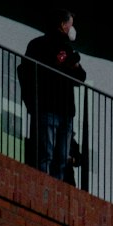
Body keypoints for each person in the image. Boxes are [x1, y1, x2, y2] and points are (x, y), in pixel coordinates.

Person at [17, 10, 86, 179]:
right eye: (70, 24)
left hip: (65, 111)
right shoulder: (40, 45)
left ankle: (56, 192)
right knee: (48, 155)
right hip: (49, 108)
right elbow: (29, 72)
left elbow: (80, 77)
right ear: (63, 25)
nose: (72, 28)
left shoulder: (67, 49)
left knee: (59, 157)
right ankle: (45, 190)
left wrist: (73, 65)